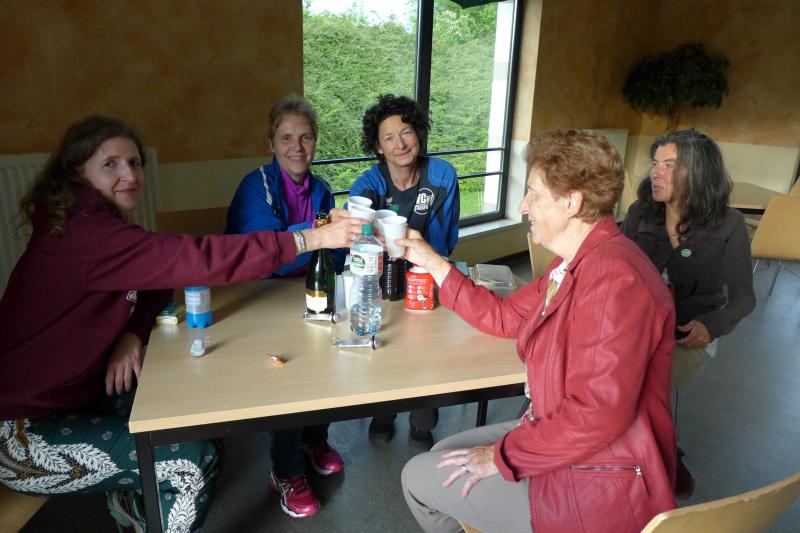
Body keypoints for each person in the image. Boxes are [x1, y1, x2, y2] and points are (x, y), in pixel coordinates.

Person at [0, 116, 362, 532]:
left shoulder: (94, 223)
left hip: (77, 393)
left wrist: (132, 333)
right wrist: (311, 238)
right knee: (194, 458)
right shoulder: (87, 235)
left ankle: (132, 504)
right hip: (21, 432)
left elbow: (156, 279)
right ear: (76, 171)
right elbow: (197, 258)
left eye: (135, 163)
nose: (129, 175)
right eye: (110, 164)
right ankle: (141, 510)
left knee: (187, 406)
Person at [400, 130, 677, 533]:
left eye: (533, 193)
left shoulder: (614, 280)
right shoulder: (575, 261)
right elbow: (504, 315)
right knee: (445, 451)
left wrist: (500, 456)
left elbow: (598, 415)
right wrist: (430, 260)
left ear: (571, 202)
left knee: (419, 477)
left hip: (601, 477)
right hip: (569, 435)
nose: (522, 205)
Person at [225, 96, 346, 518]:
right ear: (271, 143)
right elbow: (265, 254)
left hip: (306, 290)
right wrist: (320, 232)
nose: (297, 147)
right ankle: (285, 470)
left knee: (325, 358)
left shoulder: (322, 189)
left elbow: (333, 254)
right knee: (290, 375)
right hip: (259, 295)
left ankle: (314, 437)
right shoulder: (255, 186)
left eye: (306, 137)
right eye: (287, 138)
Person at [621, 129, 756, 499]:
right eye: (655, 163)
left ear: (698, 172)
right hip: (633, 331)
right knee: (611, 378)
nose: (656, 173)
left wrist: (710, 326)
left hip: (687, 337)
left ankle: (658, 455)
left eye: (669, 165)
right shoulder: (640, 214)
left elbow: (744, 298)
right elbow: (615, 272)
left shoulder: (729, 224)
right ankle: (654, 451)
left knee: (633, 383)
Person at [350, 94, 460, 444]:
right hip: (380, 279)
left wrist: (419, 253)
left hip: (428, 271)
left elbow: (444, 239)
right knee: (386, 340)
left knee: (429, 345)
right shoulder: (367, 185)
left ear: (419, 134)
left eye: (407, 132)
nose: (400, 144)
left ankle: (422, 420)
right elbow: (359, 243)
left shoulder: (441, 175)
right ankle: (383, 411)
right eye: (389, 137)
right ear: (377, 147)